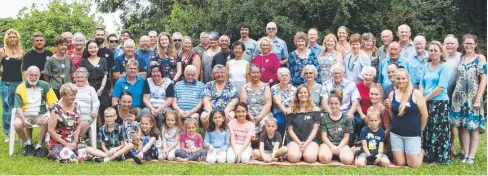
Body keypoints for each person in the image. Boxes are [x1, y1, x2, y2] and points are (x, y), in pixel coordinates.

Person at [449, 34, 486, 165]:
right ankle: (465, 153)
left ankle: (471, 155)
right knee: (463, 126)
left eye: (471, 43)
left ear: (476, 45)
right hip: (459, 98)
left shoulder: (479, 58)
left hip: (473, 98)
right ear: (463, 44)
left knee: (473, 127)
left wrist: (478, 99)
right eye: (466, 43)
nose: (468, 45)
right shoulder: (462, 57)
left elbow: (484, 80)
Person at [388, 68, 428, 168]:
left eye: (403, 78)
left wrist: (420, 129)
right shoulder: (392, 94)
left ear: (408, 79)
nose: (401, 81)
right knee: (400, 163)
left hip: (412, 134)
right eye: (398, 79)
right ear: (395, 80)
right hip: (396, 133)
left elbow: (425, 115)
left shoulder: (416, 94)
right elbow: (391, 112)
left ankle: (421, 151)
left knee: (413, 165)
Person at [13, 66, 58, 156]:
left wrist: (50, 112)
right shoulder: (20, 87)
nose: (33, 78)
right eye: (31, 75)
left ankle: (39, 146)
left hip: (40, 114)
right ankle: (28, 144)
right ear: (26, 75)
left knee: (46, 120)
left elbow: (53, 102)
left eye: (35, 75)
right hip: (25, 114)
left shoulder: (45, 85)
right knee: (17, 124)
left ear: (39, 75)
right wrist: (23, 118)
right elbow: (18, 107)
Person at [419, 41, 451, 165]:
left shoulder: (444, 67)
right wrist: (421, 96)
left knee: (439, 130)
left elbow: (441, 87)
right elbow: (422, 83)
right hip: (426, 101)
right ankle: (429, 155)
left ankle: (440, 157)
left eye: (435, 50)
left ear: (441, 52)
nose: (433, 53)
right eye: (431, 50)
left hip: (439, 102)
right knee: (428, 128)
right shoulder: (426, 66)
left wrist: (425, 99)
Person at [318, 89, 354, 165]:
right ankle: (330, 154)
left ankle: (349, 151)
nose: (333, 106)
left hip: (342, 144)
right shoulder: (324, 118)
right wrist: (332, 147)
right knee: (324, 159)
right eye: (331, 103)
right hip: (328, 143)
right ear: (328, 104)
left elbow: (346, 137)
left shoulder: (347, 119)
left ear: (340, 104)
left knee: (348, 160)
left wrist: (339, 147)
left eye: (336, 103)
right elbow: (324, 137)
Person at [46, 83, 81, 162]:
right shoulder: (55, 108)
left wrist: (75, 141)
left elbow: (79, 126)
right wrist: (66, 144)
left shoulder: (77, 106)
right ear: (63, 95)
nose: (74, 97)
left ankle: (106, 157)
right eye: (71, 95)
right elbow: (51, 131)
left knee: (84, 154)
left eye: (75, 95)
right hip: (57, 141)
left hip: (72, 139)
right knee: (73, 157)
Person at [286, 85, 320, 163]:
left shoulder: (315, 110)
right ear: (297, 95)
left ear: (308, 94)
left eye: (305, 92)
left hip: (311, 140)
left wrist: (306, 143)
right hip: (294, 140)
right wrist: (299, 143)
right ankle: (293, 153)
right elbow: (290, 130)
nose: (303, 94)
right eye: (300, 93)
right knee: (294, 158)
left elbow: (315, 129)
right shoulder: (291, 110)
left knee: (310, 158)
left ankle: (306, 152)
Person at [0, 29, 24, 142]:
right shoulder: (2, 51)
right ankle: (7, 134)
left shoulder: (21, 52)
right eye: (10, 37)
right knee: (7, 109)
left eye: (14, 37)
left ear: (17, 39)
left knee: (18, 108)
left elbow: (23, 69)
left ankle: (17, 131)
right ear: (7, 39)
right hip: (6, 84)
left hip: (19, 83)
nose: (12, 39)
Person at [201, 65, 239, 129]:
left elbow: (235, 100)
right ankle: (209, 135)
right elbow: (206, 99)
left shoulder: (231, 84)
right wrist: (210, 112)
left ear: (225, 74)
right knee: (204, 117)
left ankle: (226, 136)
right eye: (217, 73)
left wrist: (226, 110)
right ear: (214, 75)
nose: (219, 74)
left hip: (227, 109)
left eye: (221, 72)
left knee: (230, 117)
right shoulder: (209, 84)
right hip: (211, 109)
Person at [80, 41, 109, 119]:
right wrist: (91, 90)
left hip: (102, 88)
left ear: (98, 48)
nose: (93, 49)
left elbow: (105, 74)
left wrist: (102, 88)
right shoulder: (83, 61)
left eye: (95, 47)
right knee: (91, 110)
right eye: (90, 48)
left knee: (103, 110)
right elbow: (83, 76)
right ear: (87, 49)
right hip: (89, 87)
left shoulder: (103, 60)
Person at [443, 34, 462, 156]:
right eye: (447, 43)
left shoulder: (462, 57)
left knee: (457, 122)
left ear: (457, 44)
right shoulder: (441, 57)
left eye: (452, 43)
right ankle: (449, 145)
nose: (449, 45)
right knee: (447, 122)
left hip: (457, 95)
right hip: (443, 94)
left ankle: (459, 148)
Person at [240, 65, 272, 133]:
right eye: (253, 72)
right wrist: (250, 116)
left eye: (257, 72)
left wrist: (260, 117)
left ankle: (262, 142)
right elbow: (243, 104)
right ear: (250, 74)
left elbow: (268, 104)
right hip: (248, 113)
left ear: (260, 74)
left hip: (263, 113)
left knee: (265, 123)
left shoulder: (266, 86)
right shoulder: (244, 87)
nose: (255, 74)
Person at [73, 67, 100, 140]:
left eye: (82, 77)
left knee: (84, 123)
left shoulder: (90, 89)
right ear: (74, 78)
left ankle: (77, 140)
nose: (80, 79)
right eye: (78, 77)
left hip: (86, 114)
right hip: (72, 114)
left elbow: (96, 101)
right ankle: (77, 141)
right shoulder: (71, 87)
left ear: (86, 78)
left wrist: (95, 109)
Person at [353, 66, 377, 145]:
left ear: (373, 77)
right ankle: (359, 141)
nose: (368, 77)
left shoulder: (377, 86)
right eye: (366, 75)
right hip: (360, 111)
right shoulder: (357, 86)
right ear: (363, 76)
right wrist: (362, 115)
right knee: (359, 121)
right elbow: (356, 102)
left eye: (370, 75)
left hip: (373, 111)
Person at [271, 67, 296, 135]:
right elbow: (277, 102)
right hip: (279, 112)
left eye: (286, 75)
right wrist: (286, 112)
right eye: (282, 76)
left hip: (291, 112)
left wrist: (290, 110)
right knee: (280, 122)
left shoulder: (294, 88)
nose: (284, 77)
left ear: (289, 77)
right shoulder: (274, 88)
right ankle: (280, 141)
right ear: (278, 78)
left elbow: (294, 102)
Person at [367, 85, 391, 153]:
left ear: (381, 95)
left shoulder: (383, 109)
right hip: (371, 140)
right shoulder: (369, 109)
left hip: (381, 141)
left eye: (376, 94)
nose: (373, 96)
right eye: (371, 94)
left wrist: (378, 139)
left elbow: (388, 129)